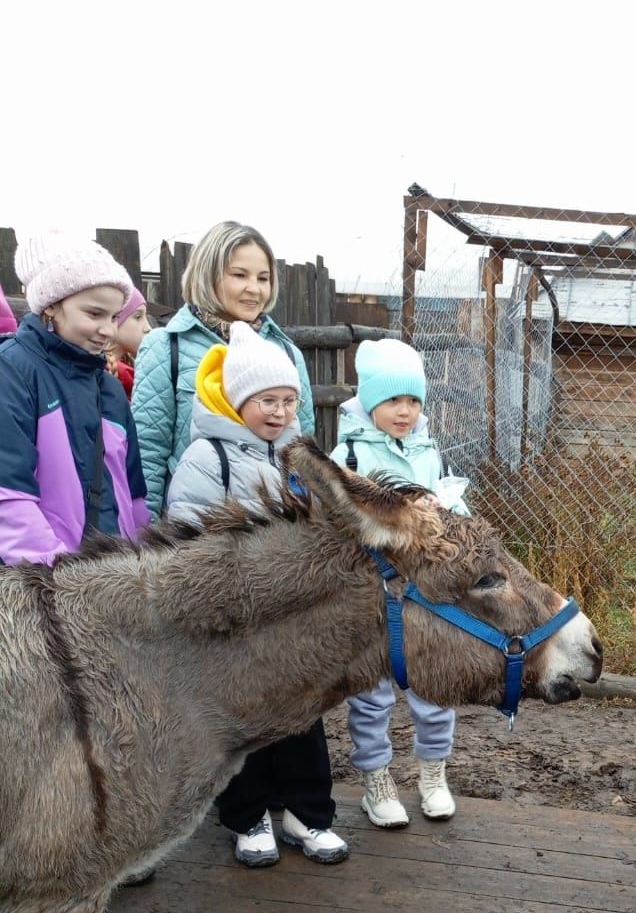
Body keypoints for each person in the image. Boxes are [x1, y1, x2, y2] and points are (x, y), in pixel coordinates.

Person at [166, 322, 348, 870]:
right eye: (266, 400)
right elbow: (188, 534)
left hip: (294, 619)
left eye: (289, 401)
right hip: (239, 618)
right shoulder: (208, 458)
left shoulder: (296, 458)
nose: (278, 411)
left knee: (302, 716)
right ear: (237, 399)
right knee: (245, 721)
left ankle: (306, 811)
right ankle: (249, 817)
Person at [331, 339, 468, 826]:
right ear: (371, 402)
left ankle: (434, 773)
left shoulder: (431, 451)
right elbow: (336, 521)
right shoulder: (346, 454)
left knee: (434, 686)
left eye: (413, 401)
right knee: (372, 693)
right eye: (393, 401)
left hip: (425, 594)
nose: (405, 411)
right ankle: (377, 780)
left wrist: (445, 513)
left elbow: (458, 512)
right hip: (372, 593)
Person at [133, 221, 314, 515]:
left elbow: (302, 453)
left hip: (278, 539)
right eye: (239, 275)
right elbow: (147, 455)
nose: (254, 289)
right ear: (209, 275)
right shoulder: (167, 347)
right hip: (193, 530)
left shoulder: (287, 354)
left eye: (263, 278)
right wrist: (148, 543)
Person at [0, 232, 150, 563]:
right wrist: (58, 582)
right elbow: (8, 497)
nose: (109, 331)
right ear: (52, 304)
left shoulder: (108, 388)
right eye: (94, 314)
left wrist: (143, 565)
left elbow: (134, 493)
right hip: (50, 588)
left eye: (114, 317)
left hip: (115, 579)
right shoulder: (12, 371)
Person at [107, 287, 151, 399]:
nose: (148, 328)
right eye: (138, 317)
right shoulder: (118, 375)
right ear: (115, 320)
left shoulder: (130, 368)